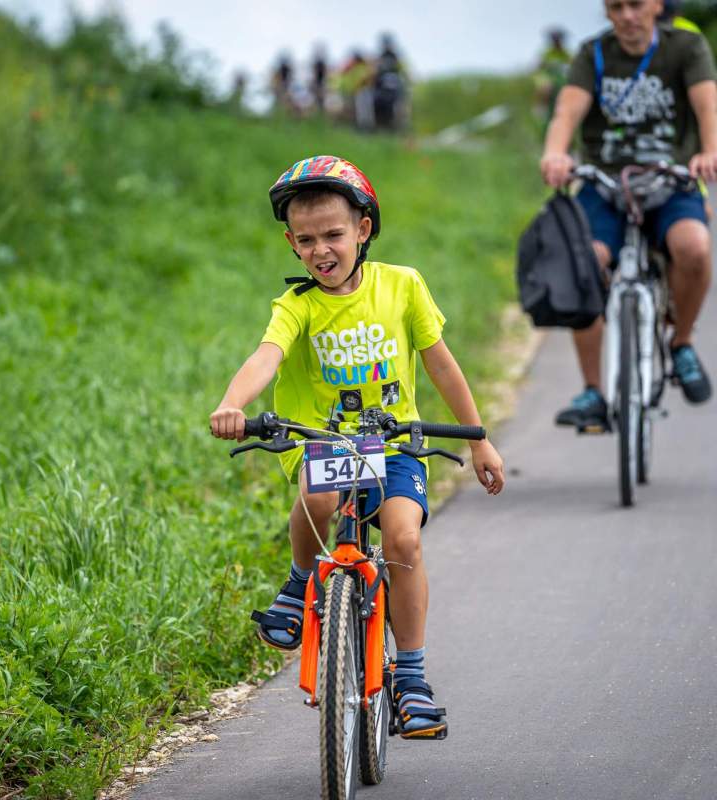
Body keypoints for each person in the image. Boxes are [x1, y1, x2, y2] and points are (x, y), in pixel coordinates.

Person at [210, 155, 504, 739]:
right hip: (323, 439)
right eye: (307, 239)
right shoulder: (297, 306)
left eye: (335, 235)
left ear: (363, 229)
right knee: (319, 498)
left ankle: (412, 679)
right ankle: (300, 585)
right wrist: (232, 404)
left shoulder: (403, 286)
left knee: (401, 537)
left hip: (394, 444)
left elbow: (441, 365)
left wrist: (479, 439)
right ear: (291, 244)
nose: (322, 250)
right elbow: (265, 357)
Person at [540, 0, 717, 429]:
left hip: (670, 179)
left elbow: (707, 106)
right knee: (584, 263)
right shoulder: (593, 54)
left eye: (636, 4)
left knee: (693, 246)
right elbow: (567, 111)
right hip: (605, 183)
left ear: (656, 5)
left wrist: (709, 151)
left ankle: (682, 342)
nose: (627, 16)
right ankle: (593, 391)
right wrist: (555, 154)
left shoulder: (686, 47)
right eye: (616, 6)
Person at [533, 28, 573, 131]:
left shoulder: (566, 54)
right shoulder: (547, 53)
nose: (556, 42)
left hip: (561, 78)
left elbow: (572, 66)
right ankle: (541, 106)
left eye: (558, 39)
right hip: (547, 77)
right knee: (547, 87)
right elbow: (538, 69)